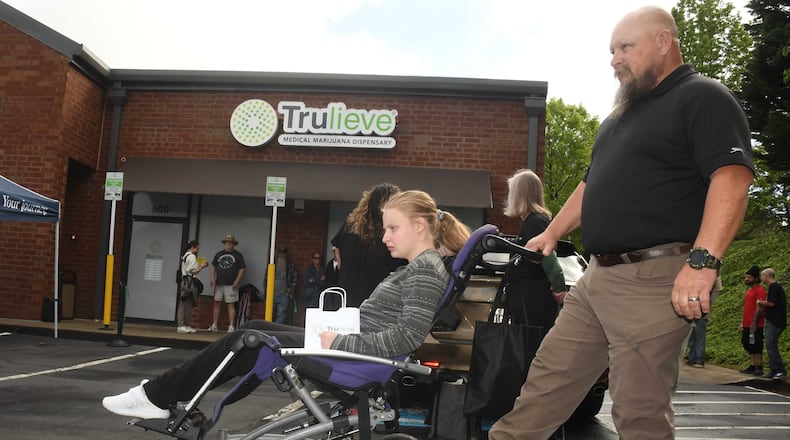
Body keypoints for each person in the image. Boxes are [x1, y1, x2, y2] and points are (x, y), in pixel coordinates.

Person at [488, 6, 754, 440]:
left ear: (664, 43)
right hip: (596, 278)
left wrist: (704, 261)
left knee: (638, 411)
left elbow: (733, 179)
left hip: (656, 277)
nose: (614, 59)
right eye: (611, 51)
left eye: (625, 48)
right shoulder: (617, 120)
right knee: (544, 385)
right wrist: (551, 234)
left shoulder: (702, 96)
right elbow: (590, 186)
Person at [101, 190, 470, 420]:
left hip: (354, 358)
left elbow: (406, 337)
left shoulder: (424, 271)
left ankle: (157, 397)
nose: (385, 237)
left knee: (247, 341)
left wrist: (337, 342)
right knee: (250, 330)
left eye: (393, 229)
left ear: (420, 227)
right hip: (350, 347)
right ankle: (162, 395)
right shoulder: (420, 267)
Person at [503, 169, 566, 330]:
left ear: (520, 194)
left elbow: (551, 262)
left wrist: (559, 290)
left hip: (533, 305)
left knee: (531, 350)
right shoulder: (534, 221)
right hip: (531, 304)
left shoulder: (535, 223)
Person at [331, 183, 407, 307]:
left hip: (345, 301)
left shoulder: (350, 226)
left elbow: (337, 248)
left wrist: (345, 269)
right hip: (377, 305)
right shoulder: (391, 233)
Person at [209, 234, 246, 333]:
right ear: (225, 244)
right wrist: (212, 278)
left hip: (231, 284)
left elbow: (242, 269)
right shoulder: (219, 254)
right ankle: (214, 324)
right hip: (219, 283)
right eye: (227, 243)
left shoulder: (238, 255)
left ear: (233, 244)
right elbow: (213, 266)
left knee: (231, 304)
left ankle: (231, 326)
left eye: (231, 243)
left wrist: (237, 281)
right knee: (217, 303)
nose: (229, 245)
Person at [757, 268, 785, 380]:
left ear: (767, 276)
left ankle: (779, 370)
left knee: (771, 345)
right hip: (774, 321)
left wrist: (760, 302)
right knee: (770, 345)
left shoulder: (774, 287)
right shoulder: (774, 287)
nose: (761, 278)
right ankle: (774, 369)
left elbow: (772, 303)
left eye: (762, 276)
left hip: (775, 321)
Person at [740, 265, 767, 375]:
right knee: (747, 343)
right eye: (746, 277)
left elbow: (760, 307)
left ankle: (759, 366)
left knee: (756, 344)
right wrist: (742, 322)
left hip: (756, 324)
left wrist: (755, 323)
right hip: (747, 323)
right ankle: (752, 365)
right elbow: (747, 307)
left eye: (749, 277)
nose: (747, 279)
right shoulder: (749, 291)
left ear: (755, 278)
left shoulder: (760, 290)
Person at [176, 240, 208, 334]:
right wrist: (202, 266)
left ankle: (185, 325)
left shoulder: (185, 255)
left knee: (187, 303)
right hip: (189, 281)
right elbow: (192, 271)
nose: (198, 250)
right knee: (185, 304)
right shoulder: (192, 256)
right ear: (193, 247)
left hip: (185, 281)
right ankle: (181, 325)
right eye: (197, 248)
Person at [268, 247, 297, 324]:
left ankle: (275, 331)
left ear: (286, 255)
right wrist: (268, 292)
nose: (281, 255)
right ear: (277, 254)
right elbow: (266, 279)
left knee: (281, 315)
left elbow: (294, 280)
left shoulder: (291, 266)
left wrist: (289, 291)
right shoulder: (272, 264)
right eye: (280, 253)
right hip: (272, 295)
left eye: (283, 253)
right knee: (270, 314)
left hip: (284, 295)